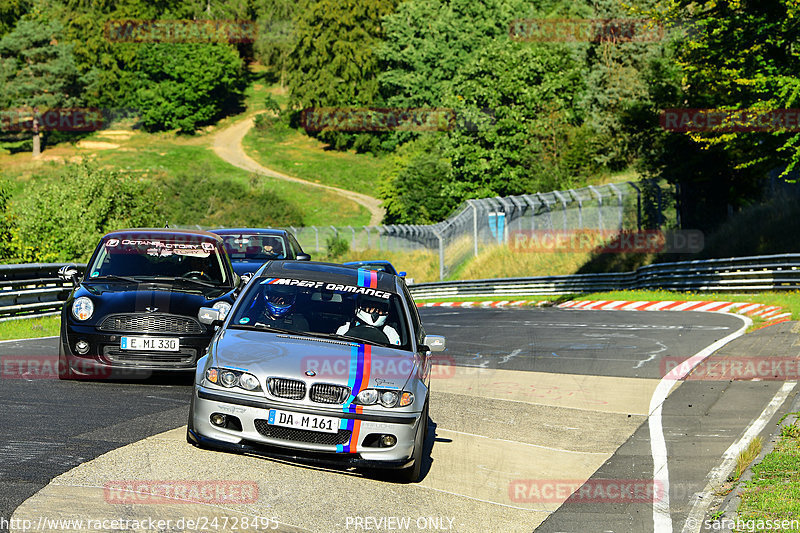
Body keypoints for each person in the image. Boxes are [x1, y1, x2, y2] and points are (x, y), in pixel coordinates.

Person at [336, 295, 400, 345]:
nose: (376, 312)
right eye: (371, 306)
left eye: (380, 308)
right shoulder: (345, 328)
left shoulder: (390, 333)